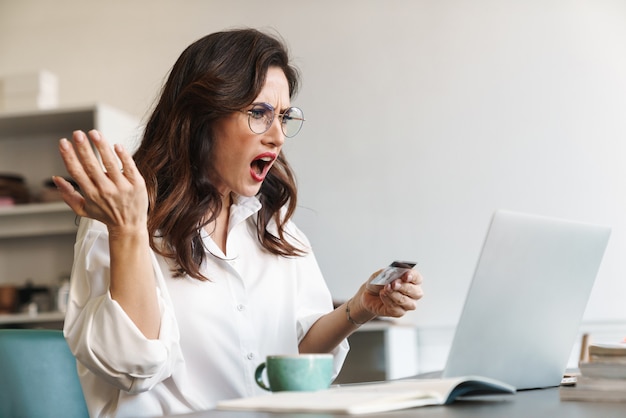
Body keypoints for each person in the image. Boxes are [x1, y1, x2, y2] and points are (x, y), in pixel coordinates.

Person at [52, 28, 423, 417]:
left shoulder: (274, 227)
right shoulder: (119, 221)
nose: (278, 136)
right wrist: (127, 231)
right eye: (259, 114)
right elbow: (131, 366)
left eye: (282, 117)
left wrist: (362, 306)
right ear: (201, 117)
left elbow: (289, 359)